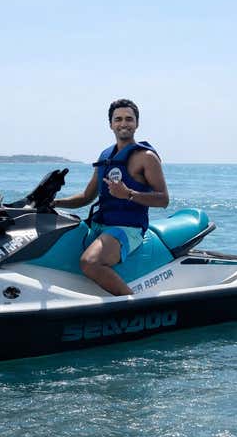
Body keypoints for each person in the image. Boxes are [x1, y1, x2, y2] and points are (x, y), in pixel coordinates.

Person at [54, 99, 169, 296]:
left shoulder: (146, 157)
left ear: (137, 123)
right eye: (118, 119)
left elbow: (163, 200)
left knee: (90, 262)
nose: (123, 123)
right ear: (110, 124)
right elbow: (86, 197)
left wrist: (129, 194)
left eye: (129, 119)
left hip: (128, 228)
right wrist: (53, 202)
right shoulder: (106, 155)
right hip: (99, 225)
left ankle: (133, 305)